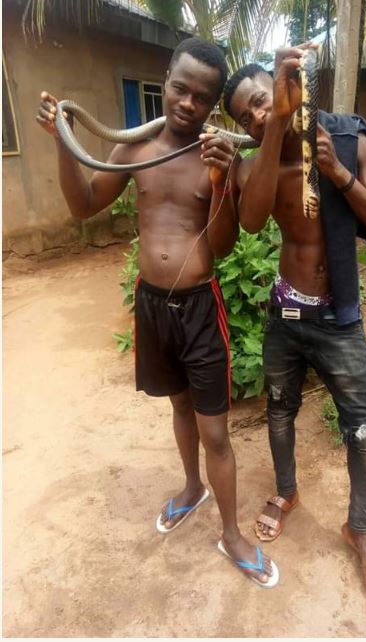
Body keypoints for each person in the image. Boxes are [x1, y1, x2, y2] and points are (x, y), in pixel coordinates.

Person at [36, 37, 278, 588]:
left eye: (202, 97)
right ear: (166, 79)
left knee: (215, 430)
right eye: (180, 88)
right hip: (152, 307)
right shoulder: (135, 150)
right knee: (179, 406)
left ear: (214, 106)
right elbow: (83, 206)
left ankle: (232, 534)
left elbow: (223, 245)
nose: (188, 103)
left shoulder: (219, 157)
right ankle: (191, 487)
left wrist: (221, 182)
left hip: (200, 308)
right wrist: (62, 142)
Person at [221, 45, 366, 630]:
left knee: (364, 430)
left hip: (339, 319)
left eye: (260, 101)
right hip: (287, 316)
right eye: (245, 116)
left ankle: (360, 531)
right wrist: (273, 126)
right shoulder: (256, 165)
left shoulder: (348, 138)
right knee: (279, 409)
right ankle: (287, 491)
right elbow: (251, 221)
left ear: (289, 85)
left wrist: (340, 176)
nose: (255, 116)